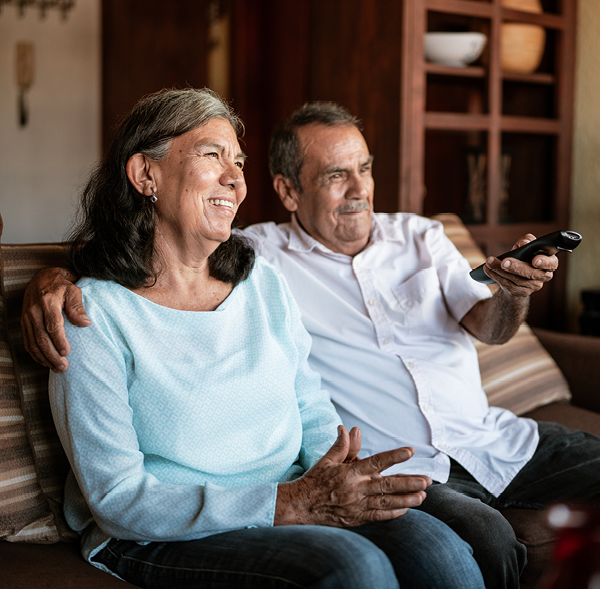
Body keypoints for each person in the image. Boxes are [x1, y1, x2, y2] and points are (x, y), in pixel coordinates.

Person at [29, 100, 597, 588]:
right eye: (211, 155)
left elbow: (311, 406)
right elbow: (118, 497)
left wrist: (336, 481)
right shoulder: (94, 312)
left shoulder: (258, 279)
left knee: (440, 552)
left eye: (238, 161)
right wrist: (50, 279)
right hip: (161, 526)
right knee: (357, 565)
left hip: (441, 450)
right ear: (145, 174)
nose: (234, 178)